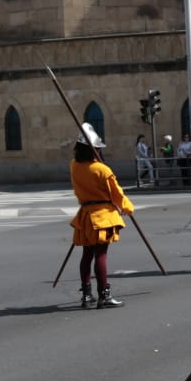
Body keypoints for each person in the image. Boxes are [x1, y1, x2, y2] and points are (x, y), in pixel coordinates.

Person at [69, 124, 133, 309]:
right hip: (103, 214)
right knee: (101, 254)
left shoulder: (74, 166)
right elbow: (117, 194)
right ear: (93, 149)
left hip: (86, 214)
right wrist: (128, 208)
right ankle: (104, 294)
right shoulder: (102, 170)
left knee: (87, 254)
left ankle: (86, 294)